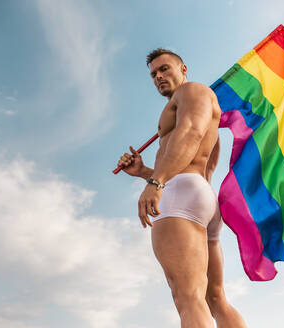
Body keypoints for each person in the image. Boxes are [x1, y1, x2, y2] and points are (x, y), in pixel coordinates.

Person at [118, 48, 247, 328]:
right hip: (201, 196)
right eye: (154, 74)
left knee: (187, 297)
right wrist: (143, 172)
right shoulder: (202, 103)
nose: (159, 76)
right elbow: (197, 162)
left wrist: (156, 181)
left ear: (183, 69)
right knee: (214, 299)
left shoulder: (191, 92)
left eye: (165, 69)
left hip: (182, 194)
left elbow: (191, 132)